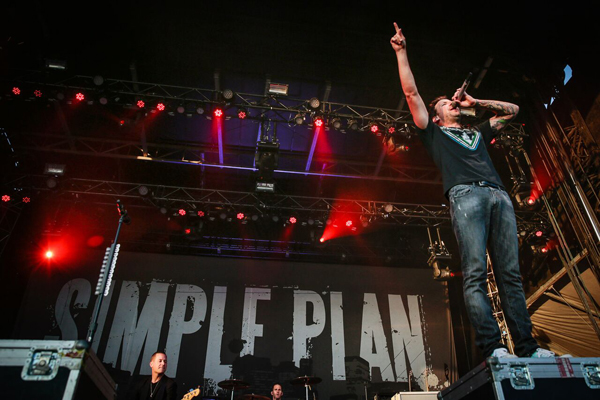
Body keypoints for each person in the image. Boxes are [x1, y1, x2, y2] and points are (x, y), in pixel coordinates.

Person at [389, 22, 555, 359]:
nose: (451, 103)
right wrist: (401, 52)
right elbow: (411, 94)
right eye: (444, 104)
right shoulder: (433, 133)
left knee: (510, 275)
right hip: (465, 196)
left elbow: (513, 111)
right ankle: (494, 347)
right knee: (476, 272)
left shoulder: (478, 131)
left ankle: (527, 348)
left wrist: (475, 101)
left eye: (450, 101)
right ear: (436, 117)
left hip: (499, 195)